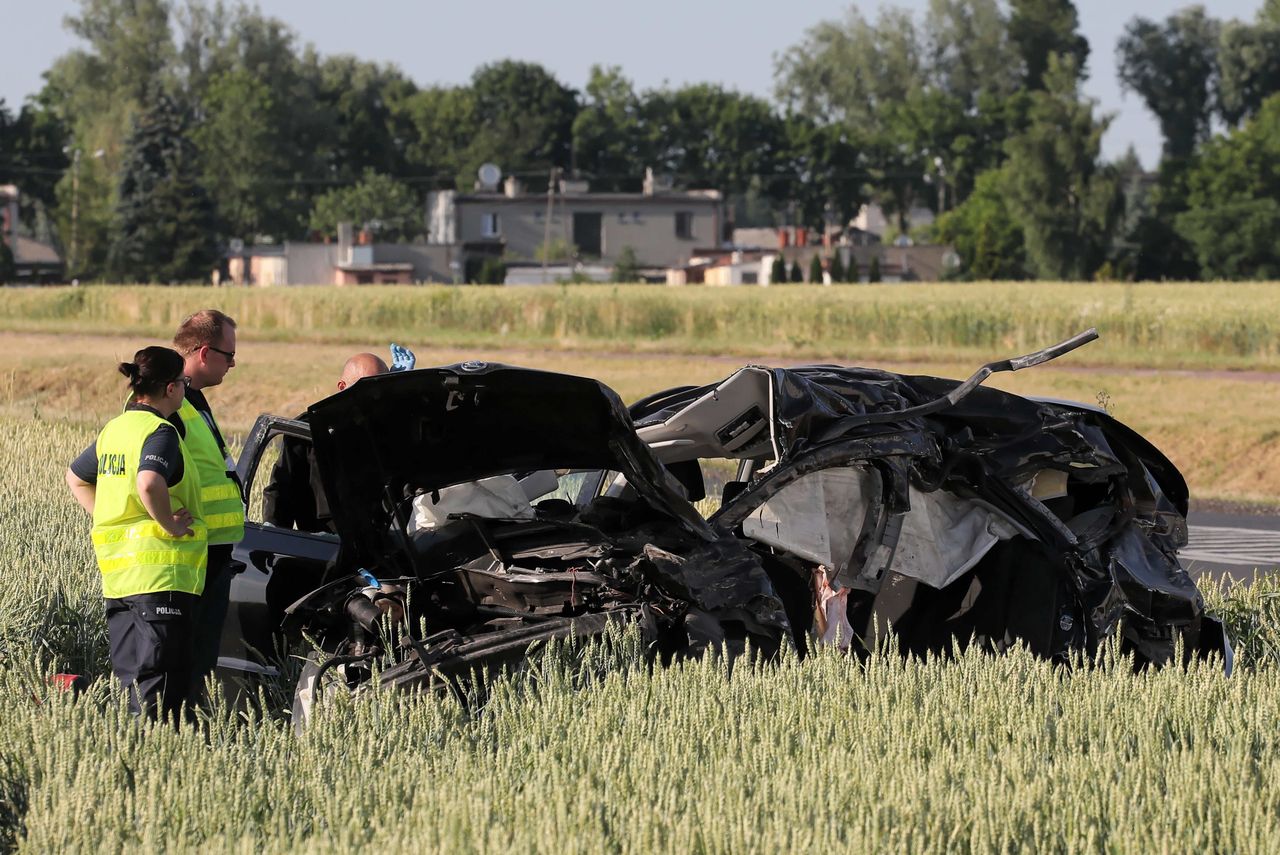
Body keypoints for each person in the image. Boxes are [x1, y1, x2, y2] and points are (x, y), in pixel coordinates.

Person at [65, 347, 206, 720]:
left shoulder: (115, 429)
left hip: (119, 583)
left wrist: (114, 516)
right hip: (161, 579)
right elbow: (148, 482)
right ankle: (155, 762)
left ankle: (135, 758)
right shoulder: (160, 431)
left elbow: (76, 479)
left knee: (132, 684)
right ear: (172, 388)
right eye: (184, 383)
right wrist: (167, 523)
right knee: (159, 691)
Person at [171, 309, 244, 701]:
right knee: (188, 662)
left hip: (212, 549)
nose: (233, 363)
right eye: (228, 354)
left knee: (200, 662)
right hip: (193, 554)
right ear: (203, 352)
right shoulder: (172, 400)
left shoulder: (191, 398)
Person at [262, 352, 388, 533]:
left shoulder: (390, 431)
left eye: (378, 388)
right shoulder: (307, 431)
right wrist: (273, 536)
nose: (373, 396)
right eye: (365, 389)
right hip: (324, 546)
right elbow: (282, 490)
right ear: (342, 387)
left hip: (385, 543)